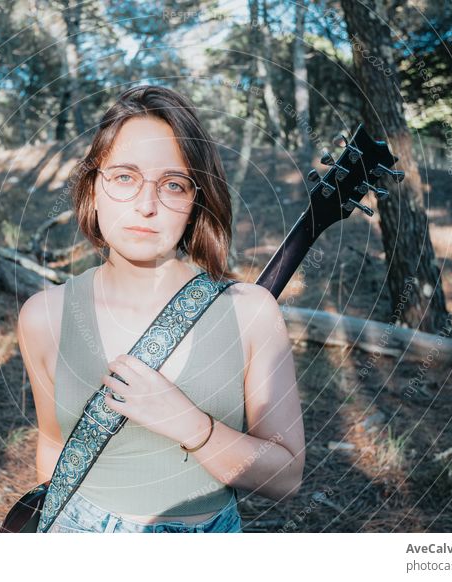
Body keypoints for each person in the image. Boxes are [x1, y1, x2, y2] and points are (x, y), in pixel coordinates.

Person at [17, 85, 305, 533]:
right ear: (94, 189)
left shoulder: (251, 312)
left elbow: (285, 477)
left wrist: (190, 425)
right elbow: (53, 449)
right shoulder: (44, 316)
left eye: (172, 184)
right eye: (125, 177)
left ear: (194, 203)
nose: (146, 206)